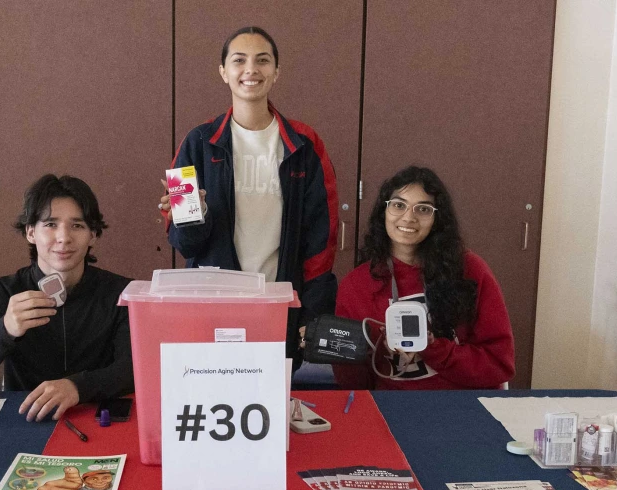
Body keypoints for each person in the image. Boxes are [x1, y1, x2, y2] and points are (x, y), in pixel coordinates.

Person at [160, 25, 338, 355]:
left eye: (263, 60)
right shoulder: (197, 142)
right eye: (239, 60)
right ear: (224, 72)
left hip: (279, 304)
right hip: (212, 307)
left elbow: (321, 237)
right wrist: (193, 216)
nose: (251, 70)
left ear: (276, 72)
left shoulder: (304, 143)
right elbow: (186, 245)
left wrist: (313, 314)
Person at [0, 174, 133, 420]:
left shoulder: (121, 293)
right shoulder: (1, 293)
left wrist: (77, 386)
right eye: (50, 224)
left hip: (98, 417)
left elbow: (134, 368)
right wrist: (5, 329)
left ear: (93, 235)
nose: (64, 237)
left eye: (77, 225)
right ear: (31, 232)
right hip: (25, 419)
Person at [334, 166, 514, 390]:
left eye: (423, 209)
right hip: (392, 409)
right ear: (384, 212)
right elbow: (353, 384)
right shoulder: (356, 285)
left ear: (437, 218)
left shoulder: (471, 270)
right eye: (399, 205)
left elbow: (499, 365)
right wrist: (369, 350)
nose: (409, 218)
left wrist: (432, 348)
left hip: (462, 407)